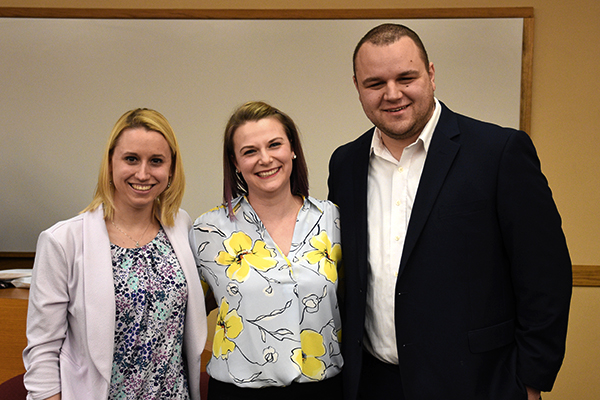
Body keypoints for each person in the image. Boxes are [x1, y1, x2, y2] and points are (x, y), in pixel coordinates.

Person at [327, 24, 572, 400]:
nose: (392, 94)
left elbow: (545, 275)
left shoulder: (499, 152)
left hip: (478, 383)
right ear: (357, 86)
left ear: (431, 74)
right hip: (372, 384)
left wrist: (531, 379)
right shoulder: (345, 163)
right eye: (375, 83)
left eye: (406, 77)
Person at [23, 108, 207, 400]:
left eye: (156, 161)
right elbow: (43, 350)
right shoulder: (63, 241)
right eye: (131, 159)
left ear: (171, 169)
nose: (143, 173)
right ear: (110, 163)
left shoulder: (180, 225)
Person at [189, 101, 343, 400]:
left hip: (324, 388)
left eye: (275, 145)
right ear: (234, 162)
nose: (265, 159)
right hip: (239, 391)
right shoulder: (206, 231)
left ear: (293, 149)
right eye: (250, 151)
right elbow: (184, 310)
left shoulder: (333, 220)